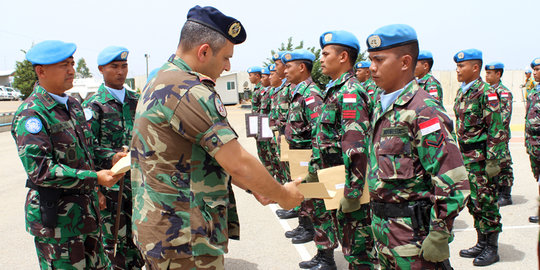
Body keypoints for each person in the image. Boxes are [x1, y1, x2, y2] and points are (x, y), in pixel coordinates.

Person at [130, 6, 303, 269]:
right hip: (184, 239)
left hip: (163, 232)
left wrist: (255, 186)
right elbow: (238, 163)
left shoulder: (161, 79)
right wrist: (283, 195)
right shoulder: (189, 90)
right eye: (225, 57)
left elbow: (197, 158)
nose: (228, 66)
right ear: (204, 51)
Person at [11, 40, 125, 269]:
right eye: (64, 65)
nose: (72, 70)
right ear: (41, 71)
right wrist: (95, 178)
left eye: (72, 63)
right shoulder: (32, 114)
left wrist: (112, 158)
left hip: (88, 216)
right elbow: (42, 171)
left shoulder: (72, 105)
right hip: (58, 226)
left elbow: (88, 149)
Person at [366, 24, 469, 270]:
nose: (371, 67)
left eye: (379, 60)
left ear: (404, 62)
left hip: (414, 240)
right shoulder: (382, 106)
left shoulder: (424, 110)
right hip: (383, 233)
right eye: (370, 60)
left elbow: (453, 179)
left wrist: (439, 234)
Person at [311, 30, 376, 270]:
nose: (321, 58)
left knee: (359, 252)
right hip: (335, 181)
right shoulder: (335, 89)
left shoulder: (350, 92)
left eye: (326, 53)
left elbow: (356, 147)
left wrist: (354, 193)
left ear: (343, 57)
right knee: (351, 248)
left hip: (347, 186)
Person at [82, 46, 144, 269]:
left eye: (124, 66)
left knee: (139, 241)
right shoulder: (94, 105)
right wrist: (97, 188)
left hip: (137, 186)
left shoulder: (137, 100)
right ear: (101, 69)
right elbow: (87, 149)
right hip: (111, 188)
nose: (120, 72)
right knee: (114, 244)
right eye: (114, 67)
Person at [454, 49, 504, 266]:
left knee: (487, 202)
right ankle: (481, 241)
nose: (457, 69)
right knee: (474, 202)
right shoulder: (462, 92)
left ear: (475, 68)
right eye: (456, 65)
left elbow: (496, 128)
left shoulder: (486, 92)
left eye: (461, 66)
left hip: (482, 159)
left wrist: (494, 161)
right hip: (466, 158)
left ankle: (492, 247)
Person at [281, 49, 321, 246]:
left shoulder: (311, 94)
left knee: (310, 196)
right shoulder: (298, 92)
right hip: (298, 153)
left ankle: (310, 228)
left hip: (308, 155)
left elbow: (318, 130)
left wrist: (313, 160)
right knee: (301, 193)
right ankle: (303, 225)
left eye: (289, 66)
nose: (285, 71)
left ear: (302, 67)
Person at [485, 62, 514, 207]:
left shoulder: (504, 92)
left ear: (498, 74)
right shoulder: (487, 91)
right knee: (493, 164)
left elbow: (504, 116)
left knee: (504, 164)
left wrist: (495, 133)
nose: (487, 76)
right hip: (490, 136)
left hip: (500, 136)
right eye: (486, 73)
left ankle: (506, 194)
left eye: (490, 73)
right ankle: (496, 191)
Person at [525, 57, 540, 223]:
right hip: (535, 143)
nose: (534, 73)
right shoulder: (534, 91)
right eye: (533, 70)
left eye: (537, 70)